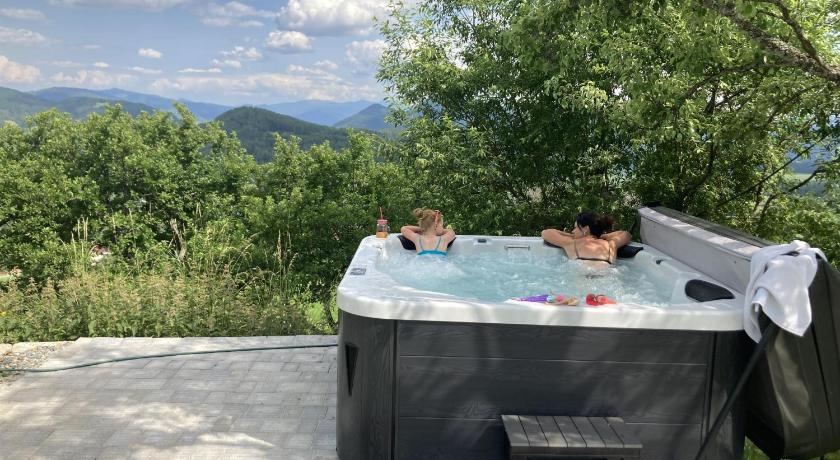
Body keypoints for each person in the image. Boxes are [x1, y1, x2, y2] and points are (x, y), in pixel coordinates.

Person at [541, 212, 631, 266]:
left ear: (586, 229)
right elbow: (626, 234)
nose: (573, 231)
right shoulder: (611, 245)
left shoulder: (572, 244)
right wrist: (602, 237)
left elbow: (546, 233)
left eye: (576, 228)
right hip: (608, 283)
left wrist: (570, 236)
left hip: (582, 285)